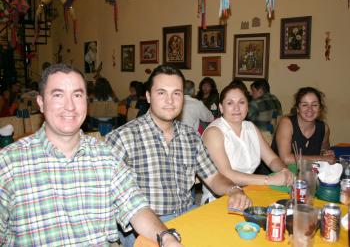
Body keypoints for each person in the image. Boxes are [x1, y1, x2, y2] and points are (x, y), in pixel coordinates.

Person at [0, 63, 182, 247]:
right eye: (58, 95)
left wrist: (166, 238)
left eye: (77, 95)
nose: (69, 106)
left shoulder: (106, 156)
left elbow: (135, 207)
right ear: (41, 103)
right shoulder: (8, 163)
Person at [105, 64, 252, 247]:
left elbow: (214, 178)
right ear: (149, 96)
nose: (170, 100)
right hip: (143, 228)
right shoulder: (121, 138)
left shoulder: (191, 137)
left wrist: (233, 189)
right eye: (161, 93)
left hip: (187, 215)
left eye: (176, 93)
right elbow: (110, 200)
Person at [201, 83, 293, 203]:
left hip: (251, 191)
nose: (236, 108)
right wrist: (268, 180)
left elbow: (272, 159)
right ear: (221, 108)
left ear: (247, 106)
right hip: (221, 198)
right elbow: (227, 174)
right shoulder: (214, 132)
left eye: (241, 102)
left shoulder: (250, 127)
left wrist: (284, 171)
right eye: (230, 103)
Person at [271, 87, 335, 164]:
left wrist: (326, 155)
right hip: (275, 173)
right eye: (305, 105)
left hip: (306, 173)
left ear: (320, 108)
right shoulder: (286, 123)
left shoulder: (324, 128)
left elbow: (323, 152)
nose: (310, 109)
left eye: (314, 105)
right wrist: (321, 158)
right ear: (297, 108)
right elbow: (286, 159)